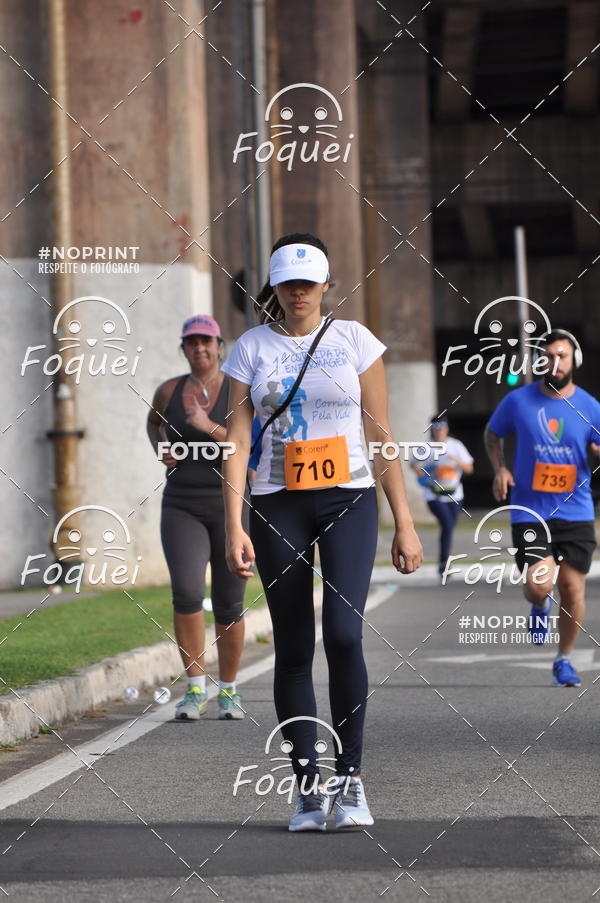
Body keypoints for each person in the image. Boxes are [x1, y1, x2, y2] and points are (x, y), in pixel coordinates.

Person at [221, 233, 423, 831]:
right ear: (275, 288)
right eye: (288, 282)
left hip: (349, 499)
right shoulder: (250, 349)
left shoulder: (354, 341)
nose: (299, 292)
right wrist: (233, 522)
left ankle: (351, 782)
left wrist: (405, 523)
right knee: (292, 646)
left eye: (309, 282)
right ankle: (308, 792)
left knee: (343, 635)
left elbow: (380, 431)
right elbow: (236, 443)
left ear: (327, 285)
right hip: (277, 502)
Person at [484, 329, 600, 687]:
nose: (555, 362)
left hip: (577, 511)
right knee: (540, 583)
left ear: (574, 360)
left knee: (572, 589)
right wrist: (500, 467)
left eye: (561, 355)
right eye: (547, 356)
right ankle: (538, 604)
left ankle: (563, 659)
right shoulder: (518, 401)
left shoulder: (590, 407)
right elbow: (492, 434)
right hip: (530, 511)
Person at [147, 314, 247, 720]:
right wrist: (161, 448)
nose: (200, 348)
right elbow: (154, 424)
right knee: (187, 593)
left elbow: (246, 446)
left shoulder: (239, 390)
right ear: (184, 349)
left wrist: (208, 427)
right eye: (192, 342)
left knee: (229, 602)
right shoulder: (169, 390)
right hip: (182, 503)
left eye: (207, 341)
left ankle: (229, 690)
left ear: (219, 346)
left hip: (231, 507)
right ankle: (193, 690)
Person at [410, 417, 473, 580]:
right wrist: (421, 475)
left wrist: (455, 460)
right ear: (432, 429)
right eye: (436, 428)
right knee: (447, 525)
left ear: (447, 428)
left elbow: (469, 469)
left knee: (449, 528)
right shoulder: (425, 447)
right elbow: (412, 463)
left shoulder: (456, 445)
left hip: (455, 495)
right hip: (434, 495)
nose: (439, 431)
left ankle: (444, 562)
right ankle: (444, 563)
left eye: (442, 428)